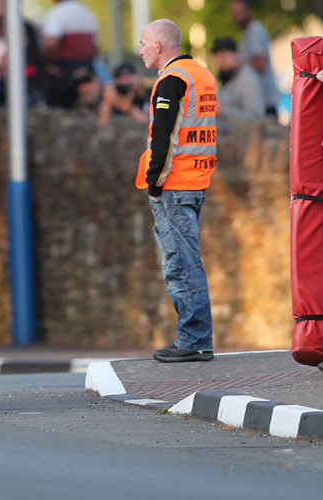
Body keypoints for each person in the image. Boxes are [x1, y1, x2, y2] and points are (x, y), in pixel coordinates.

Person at [136, 19, 216, 363]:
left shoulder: (171, 81)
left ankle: (194, 340)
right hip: (196, 181)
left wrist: (154, 184)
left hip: (175, 183)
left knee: (181, 264)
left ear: (158, 46)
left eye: (143, 43)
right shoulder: (200, 74)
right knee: (186, 261)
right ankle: (194, 337)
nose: (140, 51)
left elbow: (163, 138)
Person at [40, 0, 100, 108]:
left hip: (62, 76)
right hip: (85, 72)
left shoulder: (57, 12)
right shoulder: (88, 13)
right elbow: (95, 47)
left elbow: (50, 43)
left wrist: (47, 64)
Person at [230, 0, 280, 118]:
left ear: (249, 11)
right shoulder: (249, 31)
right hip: (263, 101)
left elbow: (259, 62)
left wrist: (236, 64)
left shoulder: (254, 31)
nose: (235, 16)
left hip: (264, 101)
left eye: (238, 12)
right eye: (233, 12)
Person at [210, 37, 265, 121]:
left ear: (236, 54)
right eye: (217, 56)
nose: (220, 60)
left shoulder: (247, 78)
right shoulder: (226, 77)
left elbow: (256, 118)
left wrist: (221, 111)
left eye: (224, 55)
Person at [99, 62, 150, 127]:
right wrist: (107, 104)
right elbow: (102, 127)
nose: (127, 82)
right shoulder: (114, 99)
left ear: (138, 77)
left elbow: (151, 125)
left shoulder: (150, 95)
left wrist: (130, 110)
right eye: (122, 79)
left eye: (130, 77)